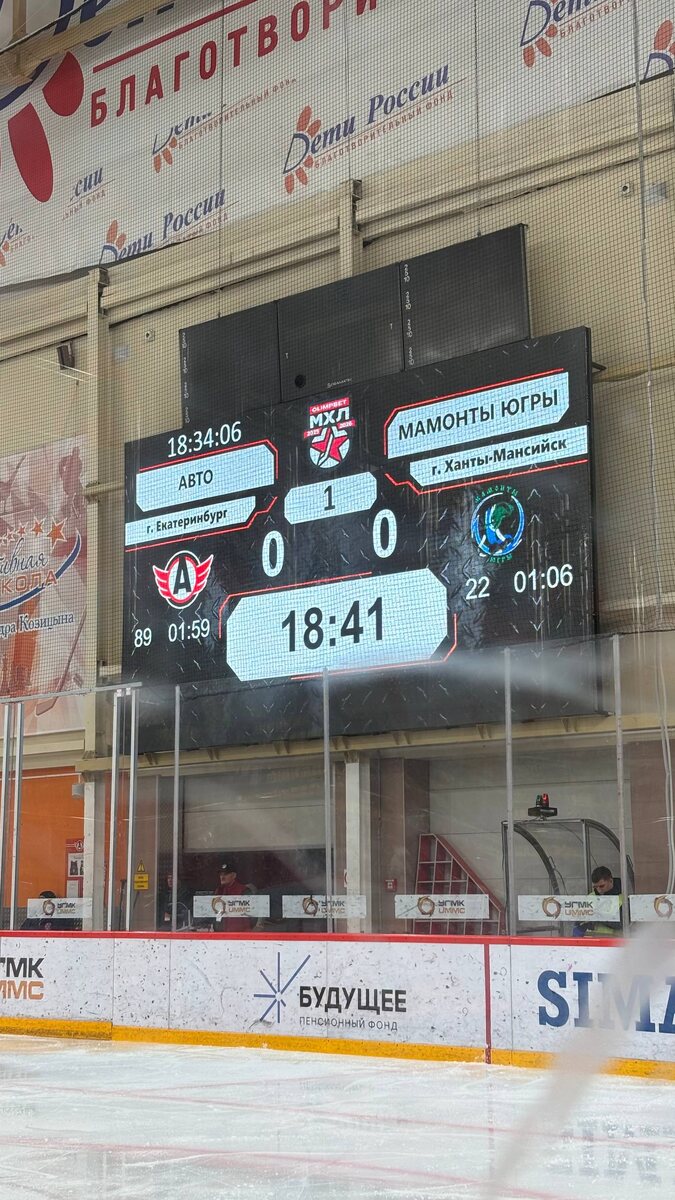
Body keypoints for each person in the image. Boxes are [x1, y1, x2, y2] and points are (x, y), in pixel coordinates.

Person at [573, 866, 623, 937]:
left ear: (611, 881)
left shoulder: (622, 898)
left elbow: (621, 924)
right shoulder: (591, 897)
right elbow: (578, 920)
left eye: (602, 886)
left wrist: (596, 916)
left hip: (614, 940)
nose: (599, 890)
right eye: (595, 887)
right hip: (593, 939)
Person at [211, 860, 255, 933]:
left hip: (239, 934)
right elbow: (214, 912)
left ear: (234, 876)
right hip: (220, 934)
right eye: (221, 874)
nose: (222, 877)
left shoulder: (243, 890)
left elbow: (252, 915)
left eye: (226, 874)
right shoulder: (219, 891)